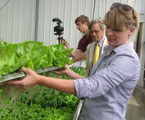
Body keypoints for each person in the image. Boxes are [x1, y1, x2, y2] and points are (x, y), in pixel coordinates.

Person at [5, 3, 140, 120]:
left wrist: (39, 80)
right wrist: (68, 72)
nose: (110, 33)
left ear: (131, 30)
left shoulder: (127, 60)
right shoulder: (109, 52)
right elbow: (91, 80)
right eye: (109, 27)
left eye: (116, 29)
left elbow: (92, 86)